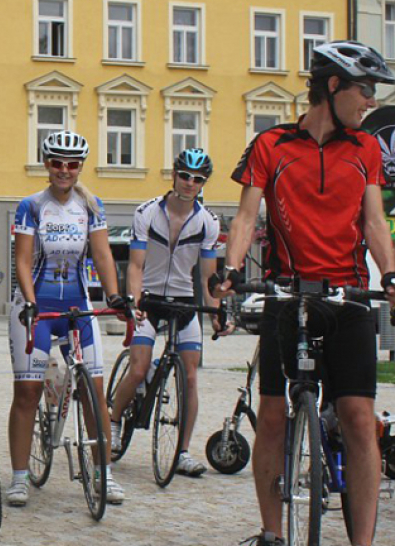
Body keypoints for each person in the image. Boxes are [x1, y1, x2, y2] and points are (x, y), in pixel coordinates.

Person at [215, 41, 395, 546]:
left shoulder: (366, 148)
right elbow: (248, 216)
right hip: (286, 295)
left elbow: (375, 222)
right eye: (366, 90)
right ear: (333, 86)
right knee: (272, 416)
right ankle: (273, 533)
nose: (370, 102)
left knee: (360, 418)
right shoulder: (272, 144)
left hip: (347, 297)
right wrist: (229, 270)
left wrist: (393, 275)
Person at [6, 131, 127, 507]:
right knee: (27, 393)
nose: (64, 170)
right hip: (37, 307)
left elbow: (104, 255)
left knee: (95, 393)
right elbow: (23, 261)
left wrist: (114, 295)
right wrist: (29, 301)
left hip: (77, 306)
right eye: (57, 163)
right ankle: (20, 477)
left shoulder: (91, 205)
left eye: (72, 164)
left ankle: (102, 473)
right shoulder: (32, 205)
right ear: (47, 164)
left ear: (80, 167)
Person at [108, 148, 224, 480]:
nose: (190, 183)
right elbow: (136, 265)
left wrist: (216, 314)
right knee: (139, 366)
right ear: (173, 174)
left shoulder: (208, 222)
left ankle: (183, 451)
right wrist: (133, 301)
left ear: (203, 184)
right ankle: (114, 421)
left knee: (189, 377)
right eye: (185, 175)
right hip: (150, 299)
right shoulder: (147, 213)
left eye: (198, 179)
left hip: (184, 302)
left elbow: (207, 277)